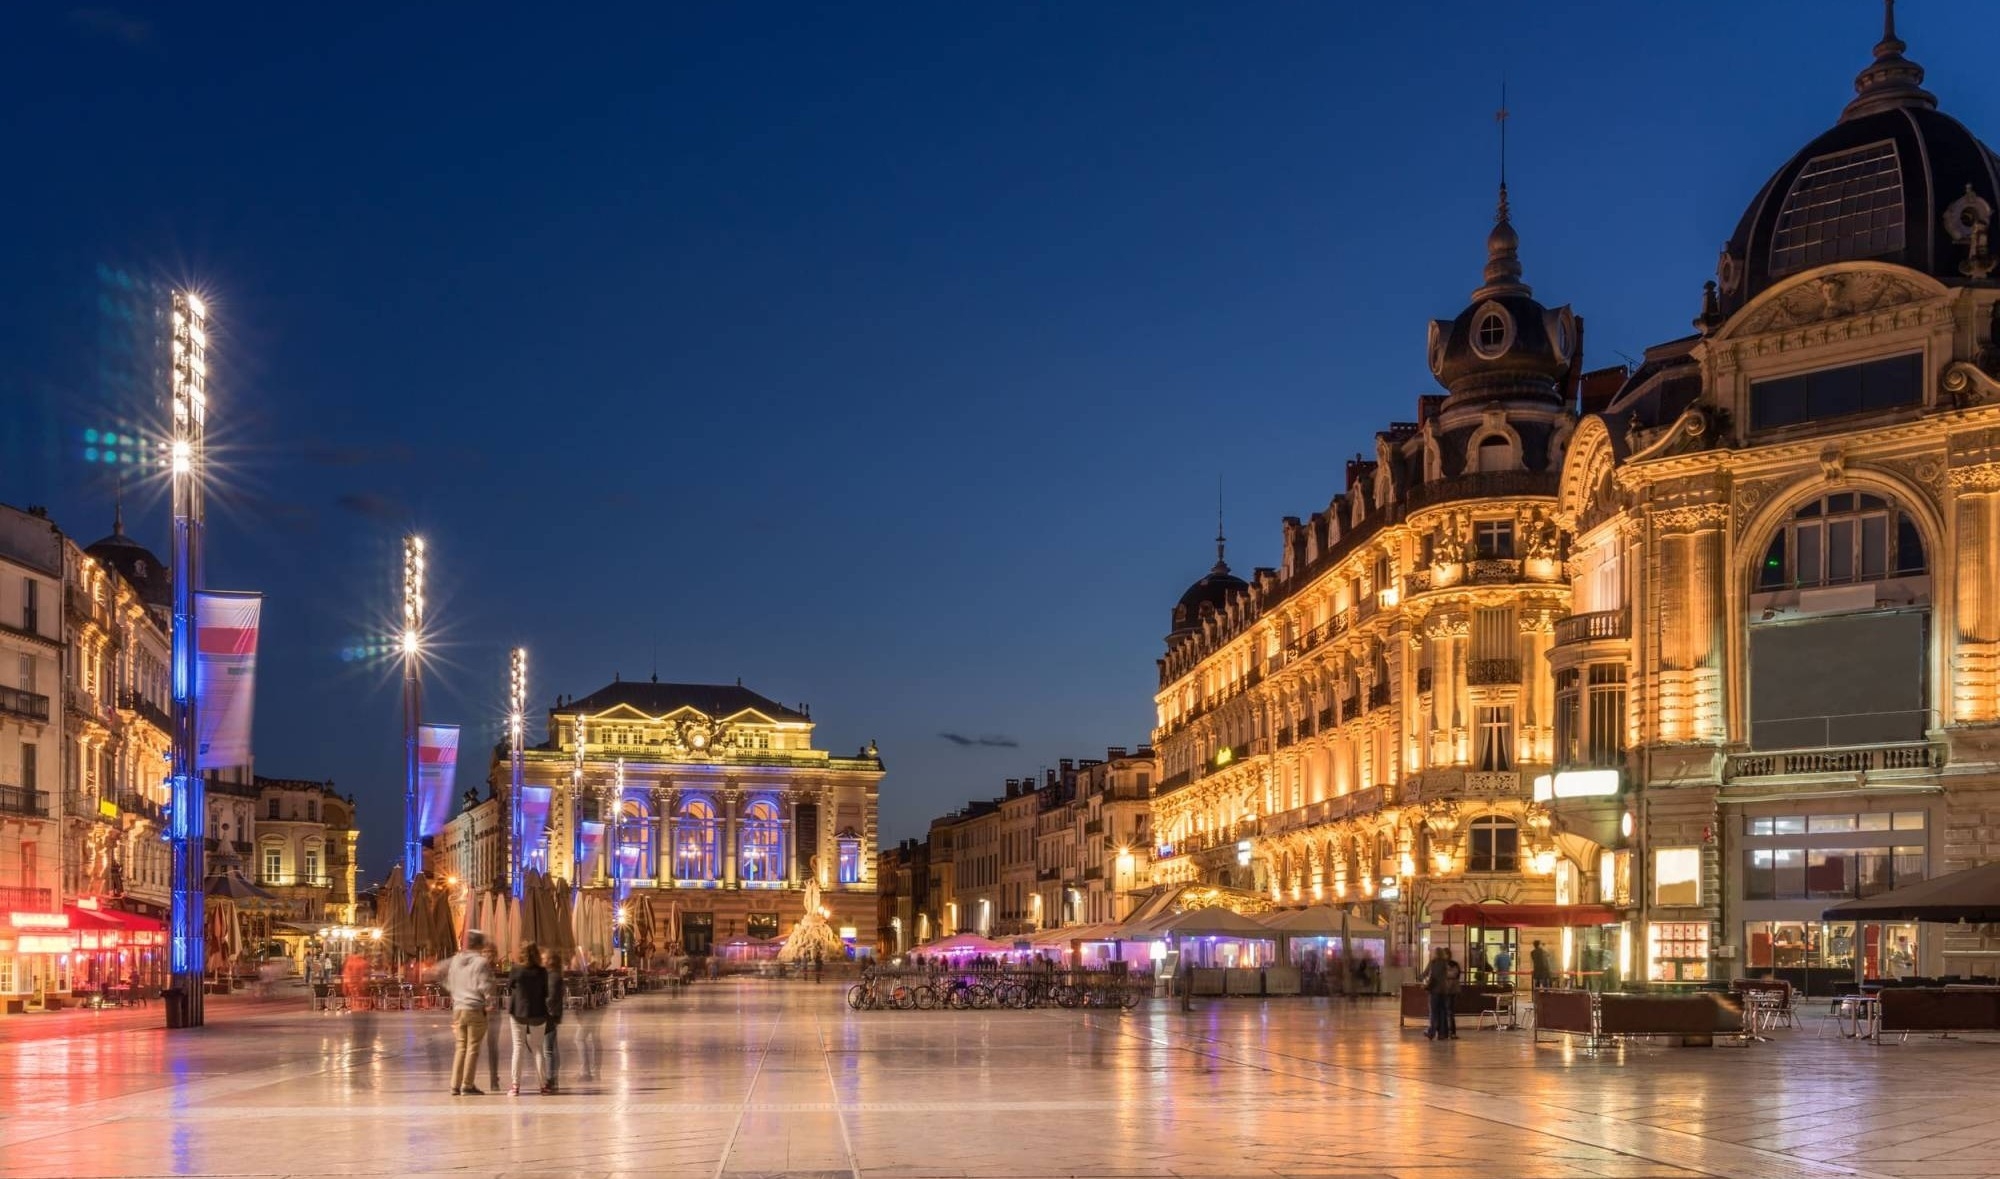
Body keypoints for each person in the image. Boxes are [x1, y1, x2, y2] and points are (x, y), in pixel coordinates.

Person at [435, 929, 496, 1096]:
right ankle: (467, 1085)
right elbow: (485, 986)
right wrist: (491, 1001)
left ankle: (454, 1084)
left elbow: (439, 971)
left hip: (458, 1008)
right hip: (475, 1008)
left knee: (461, 1047)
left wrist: (452, 990)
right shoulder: (480, 962)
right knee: (473, 1048)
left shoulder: (456, 960)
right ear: (480, 944)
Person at [507, 943, 552, 1096]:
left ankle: (515, 1086)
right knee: (538, 1048)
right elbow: (546, 992)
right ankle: (543, 1085)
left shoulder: (516, 969)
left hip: (518, 1011)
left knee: (518, 1047)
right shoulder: (542, 971)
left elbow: (509, 986)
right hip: (538, 1012)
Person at [1422, 947, 1462, 1040]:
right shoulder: (1445, 963)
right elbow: (1452, 974)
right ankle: (1442, 1034)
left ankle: (1431, 1032)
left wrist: (1424, 980)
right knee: (1443, 1012)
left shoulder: (1433, 963)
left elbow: (1424, 974)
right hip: (1444, 991)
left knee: (1434, 1012)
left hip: (1434, 990)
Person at [542, 959, 566, 1093]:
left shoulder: (552, 976)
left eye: (544, 958)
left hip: (549, 1016)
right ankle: (553, 1078)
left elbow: (549, 999)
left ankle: (550, 1079)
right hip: (553, 1015)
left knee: (548, 1050)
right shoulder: (555, 975)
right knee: (552, 1049)